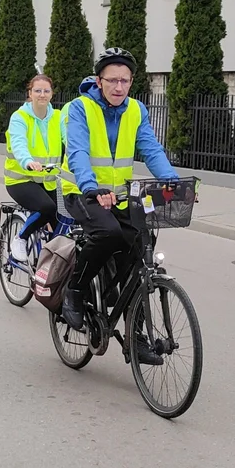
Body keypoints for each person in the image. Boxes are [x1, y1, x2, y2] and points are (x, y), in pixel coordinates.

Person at [59, 48, 178, 345]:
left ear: (131, 81)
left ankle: (135, 335)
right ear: (99, 81)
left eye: (125, 81)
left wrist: (173, 183)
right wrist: (90, 186)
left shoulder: (137, 110)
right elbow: (78, 151)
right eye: (112, 80)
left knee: (140, 244)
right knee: (109, 232)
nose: (119, 87)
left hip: (120, 196)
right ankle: (75, 290)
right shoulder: (79, 108)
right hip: (81, 192)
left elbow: (151, 149)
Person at [4, 74, 63, 262]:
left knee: (63, 220)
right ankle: (20, 238)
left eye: (46, 91)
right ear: (30, 93)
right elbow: (18, 142)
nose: (42, 95)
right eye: (37, 90)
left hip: (49, 180)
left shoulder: (59, 117)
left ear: (52, 94)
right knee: (47, 207)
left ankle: (53, 264)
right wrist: (27, 161)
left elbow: (70, 140)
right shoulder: (20, 117)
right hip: (21, 179)